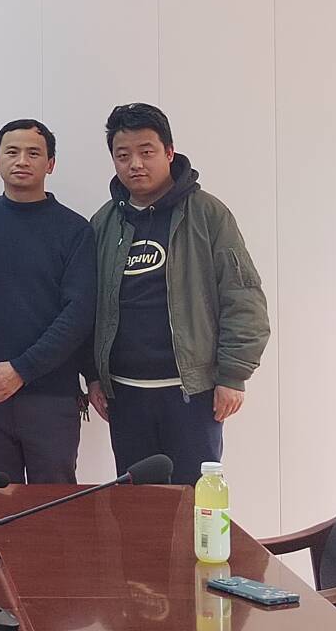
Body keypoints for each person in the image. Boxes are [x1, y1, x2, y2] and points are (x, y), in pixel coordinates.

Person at [86, 103, 269, 485]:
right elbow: (88, 307)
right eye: (123, 155)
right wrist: (94, 376)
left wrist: (233, 376)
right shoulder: (104, 222)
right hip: (126, 396)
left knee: (195, 501)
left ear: (169, 152)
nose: (135, 164)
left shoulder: (208, 215)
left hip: (192, 394)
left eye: (146, 151)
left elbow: (243, 297)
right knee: (137, 506)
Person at [0, 119, 96, 484]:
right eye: (12, 152)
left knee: (54, 505)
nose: (22, 160)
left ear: (50, 164)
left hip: (51, 397)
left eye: (34, 153)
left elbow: (78, 313)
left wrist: (22, 370)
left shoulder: (75, 230)